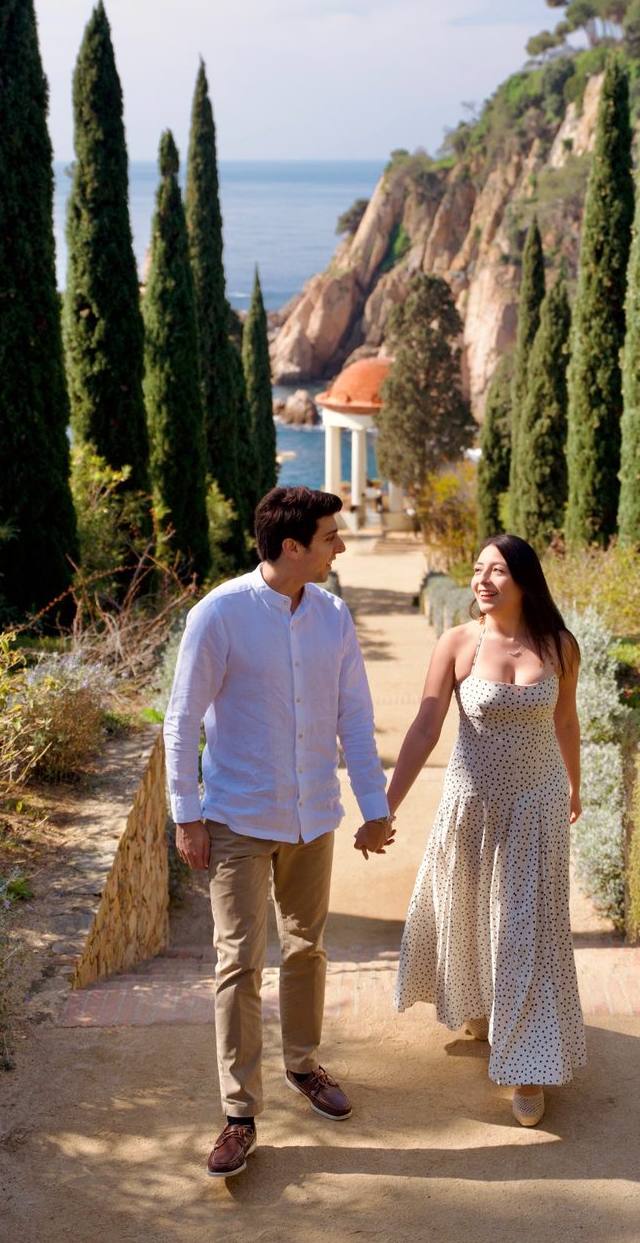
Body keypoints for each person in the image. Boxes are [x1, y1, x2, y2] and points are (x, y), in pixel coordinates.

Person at [165, 485, 395, 1179]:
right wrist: (186, 814)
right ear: (292, 547)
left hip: (311, 817)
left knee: (305, 949)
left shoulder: (332, 615)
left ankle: (302, 1064)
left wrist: (374, 805)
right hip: (236, 818)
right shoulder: (219, 614)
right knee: (238, 961)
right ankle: (239, 1113)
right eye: (330, 537)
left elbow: (354, 716)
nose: (340, 547)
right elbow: (182, 719)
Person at [382, 533, 586, 1128]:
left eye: (497, 571)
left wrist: (574, 787)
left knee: (527, 929)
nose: (482, 580)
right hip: (473, 806)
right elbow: (425, 728)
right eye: (477, 570)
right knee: (470, 912)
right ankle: (479, 1003)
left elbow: (566, 721)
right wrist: (386, 806)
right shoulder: (458, 643)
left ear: (524, 579)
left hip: (537, 808)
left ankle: (528, 1067)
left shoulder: (559, 646)